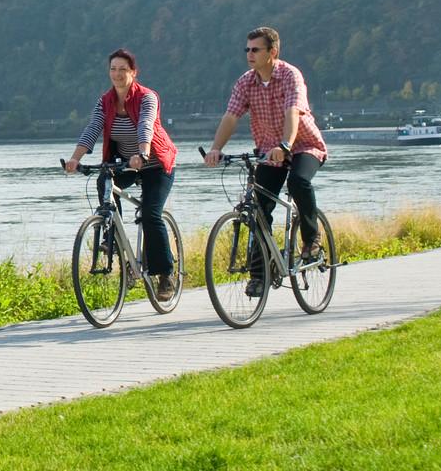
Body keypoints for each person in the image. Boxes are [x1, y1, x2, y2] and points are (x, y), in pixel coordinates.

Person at [203, 26, 328, 294]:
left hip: (303, 145)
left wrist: (286, 144)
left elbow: (292, 111)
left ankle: (311, 239)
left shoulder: (290, 76)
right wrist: (215, 149)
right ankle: (260, 274)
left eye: (255, 49)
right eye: (247, 49)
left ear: (273, 52)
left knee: (298, 182)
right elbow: (231, 116)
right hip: (269, 151)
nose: (249, 54)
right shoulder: (246, 82)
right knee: (259, 208)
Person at [65, 48, 179, 301]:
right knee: (104, 181)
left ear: (133, 73)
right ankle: (112, 237)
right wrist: (75, 158)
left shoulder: (147, 97)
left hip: (155, 163)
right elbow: (93, 127)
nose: (117, 74)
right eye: (113, 69)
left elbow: (145, 124)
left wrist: (143, 153)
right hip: (123, 163)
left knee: (151, 214)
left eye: (123, 70)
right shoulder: (105, 101)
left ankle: (165, 275)